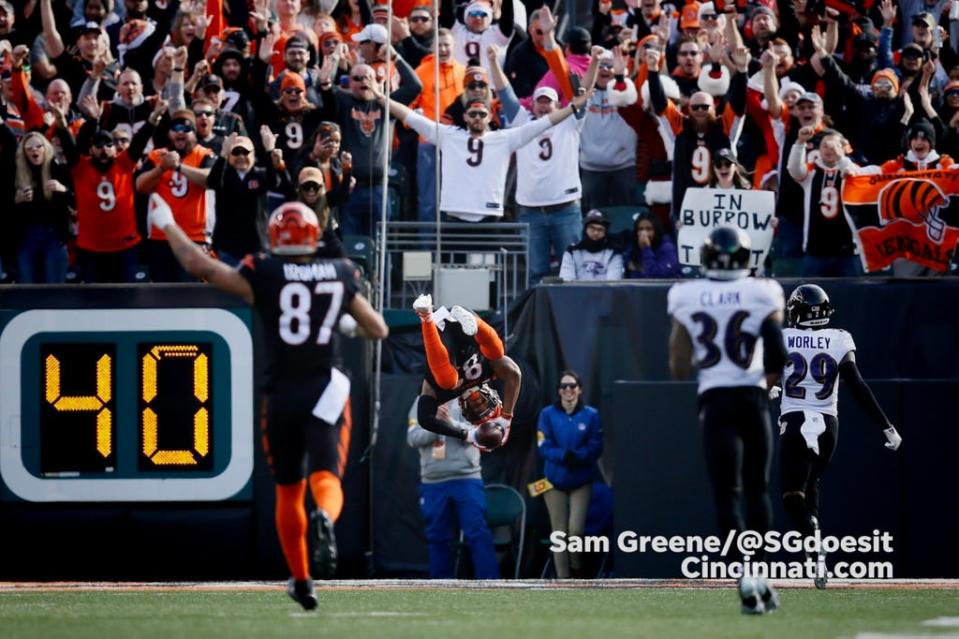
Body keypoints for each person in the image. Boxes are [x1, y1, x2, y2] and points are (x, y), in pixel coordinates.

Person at [148, 196, 388, 610]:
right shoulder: (341, 271)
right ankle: (326, 519)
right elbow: (378, 329)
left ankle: (300, 579)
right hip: (322, 389)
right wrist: (343, 321)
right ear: (314, 235)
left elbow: (201, 266)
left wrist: (168, 223)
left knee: (287, 490)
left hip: (281, 395)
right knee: (327, 479)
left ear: (274, 236)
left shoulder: (265, 270)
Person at [667, 226, 787, 615]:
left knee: (727, 493)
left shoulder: (686, 294)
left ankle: (745, 579)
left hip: (715, 398)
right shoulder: (762, 291)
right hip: (751, 397)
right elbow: (777, 349)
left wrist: (693, 360)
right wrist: (765, 385)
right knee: (757, 489)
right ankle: (762, 574)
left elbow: (678, 365)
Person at [771, 284, 902, 590]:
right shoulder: (840, 338)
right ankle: (817, 557)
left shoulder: (784, 337)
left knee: (791, 496)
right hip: (829, 424)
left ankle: (811, 532)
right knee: (811, 484)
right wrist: (887, 426)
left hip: (796, 419)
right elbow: (857, 385)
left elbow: (768, 374)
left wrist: (770, 389)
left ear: (797, 312)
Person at [383, 86, 590, 222]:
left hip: (489, 213)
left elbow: (546, 122)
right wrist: (381, 98)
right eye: (472, 114)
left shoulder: (504, 138)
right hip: (454, 211)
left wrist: (572, 107)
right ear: (464, 117)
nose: (477, 118)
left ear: (490, 117)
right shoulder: (448, 135)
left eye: (482, 114)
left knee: (489, 274)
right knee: (453, 271)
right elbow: (410, 116)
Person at [411, 294, 520, 450]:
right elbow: (514, 373)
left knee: (447, 382)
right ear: (492, 396)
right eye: (483, 403)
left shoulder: (447, 395)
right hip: (467, 326)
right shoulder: (490, 373)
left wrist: (466, 434)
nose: (477, 403)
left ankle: (425, 315)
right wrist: (507, 417)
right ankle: (475, 323)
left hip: (439, 333)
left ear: (464, 409)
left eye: (475, 410)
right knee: (497, 353)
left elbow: (424, 418)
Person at [407, 396, 500, 579]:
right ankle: (441, 587)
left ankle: (490, 583)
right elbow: (412, 438)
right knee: (437, 537)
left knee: (477, 533)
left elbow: (481, 435)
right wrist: (434, 425)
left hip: (466, 478)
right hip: (433, 481)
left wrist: (448, 422)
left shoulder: (473, 398)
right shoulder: (421, 402)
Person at [537, 370, 603, 579]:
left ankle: (577, 568)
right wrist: (562, 456)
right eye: (564, 386)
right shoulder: (547, 414)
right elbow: (542, 445)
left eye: (572, 386)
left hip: (580, 480)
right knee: (559, 533)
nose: (568, 390)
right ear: (559, 391)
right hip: (553, 480)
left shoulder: (591, 415)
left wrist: (579, 455)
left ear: (579, 389)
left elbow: (596, 445)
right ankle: (562, 580)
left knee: (575, 531)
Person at [559, 209, 624, 281]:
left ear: (605, 232)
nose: (595, 233)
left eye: (600, 229)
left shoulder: (614, 253)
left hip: (604, 292)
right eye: (592, 228)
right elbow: (566, 281)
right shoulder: (571, 251)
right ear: (585, 229)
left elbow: (613, 284)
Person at [621, 211, 679, 279]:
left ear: (656, 230)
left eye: (649, 229)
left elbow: (654, 277)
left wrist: (646, 248)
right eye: (640, 229)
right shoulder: (634, 245)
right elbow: (627, 263)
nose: (644, 233)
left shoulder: (667, 248)